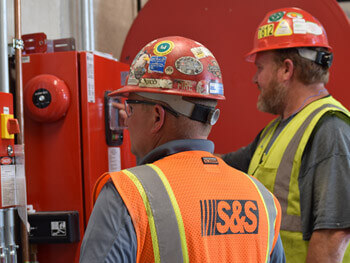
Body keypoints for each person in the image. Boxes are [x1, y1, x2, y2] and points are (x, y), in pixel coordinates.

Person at [80, 36, 285, 262]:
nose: (126, 122)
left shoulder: (127, 194)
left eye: (131, 108)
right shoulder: (262, 199)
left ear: (157, 116)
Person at [218, 7, 350, 262]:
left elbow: (333, 237)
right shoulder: (276, 130)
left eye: (260, 67)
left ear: (286, 70)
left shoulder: (329, 129)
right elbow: (223, 166)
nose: (255, 78)